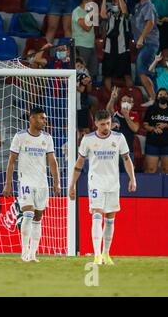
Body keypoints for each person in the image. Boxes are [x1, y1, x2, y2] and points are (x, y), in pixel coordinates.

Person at [69, 110, 137, 265]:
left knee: (110, 219)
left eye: (107, 123)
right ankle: (97, 254)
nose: (106, 127)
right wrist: (72, 184)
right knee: (97, 215)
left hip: (113, 183)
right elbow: (79, 163)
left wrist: (132, 179)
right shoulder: (88, 139)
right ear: (95, 123)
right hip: (96, 182)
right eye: (102, 124)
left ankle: (106, 254)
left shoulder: (119, 138)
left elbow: (126, 159)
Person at [2, 107, 61, 263]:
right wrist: (8, 184)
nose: (45, 121)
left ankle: (33, 254)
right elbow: (11, 161)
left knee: (37, 218)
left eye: (45, 118)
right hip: (25, 182)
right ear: (32, 118)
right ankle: (24, 252)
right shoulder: (20, 137)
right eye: (42, 118)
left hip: (42, 183)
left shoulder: (47, 138)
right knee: (27, 214)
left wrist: (56, 181)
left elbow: (52, 161)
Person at [100, 0, 133, 91]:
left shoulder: (125, 15)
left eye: (116, 0)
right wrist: (104, 0)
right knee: (107, 76)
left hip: (123, 50)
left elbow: (125, 10)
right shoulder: (110, 13)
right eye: (113, 0)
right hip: (109, 50)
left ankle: (129, 97)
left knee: (127, 76)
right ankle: (110, 98)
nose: (114, 2)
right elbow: (102, 15)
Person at [132, 0, 159, 106]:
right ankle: (154, 98)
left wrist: (142, 38)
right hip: (143, 44)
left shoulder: (148, 5)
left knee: (142, 71)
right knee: (146, 71)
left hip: (149, 42)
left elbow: (150, 22)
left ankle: (153, 99)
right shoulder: (138, 6)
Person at [106, 87, 140, 168]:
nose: (126, 103)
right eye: (124, 101)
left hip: (128, 152)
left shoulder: (135, 115)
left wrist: (126, 115)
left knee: (127, 177)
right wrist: (112, 98)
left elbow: (135, 129)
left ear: (132, 104)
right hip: (114, 151)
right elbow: (108, 110)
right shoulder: (116, 113)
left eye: (129, 101)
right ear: (120, 102)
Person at [72, 0, 98, 81]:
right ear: (84, 0)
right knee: (81, 75)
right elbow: (86, 27)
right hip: (81, 46)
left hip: (91, 46)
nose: (93, 1)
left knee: (91, 75)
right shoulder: (77, 11)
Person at [143, 88, 168, 173]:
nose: (163, 96)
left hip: (167, 144)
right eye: (160, 95)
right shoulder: (151, 109)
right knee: (151, 170)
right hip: (152, 143)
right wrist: (154, 128)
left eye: (165, 95)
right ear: (157, 96)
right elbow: (145, 125)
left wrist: (166, 125)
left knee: (166, 170)